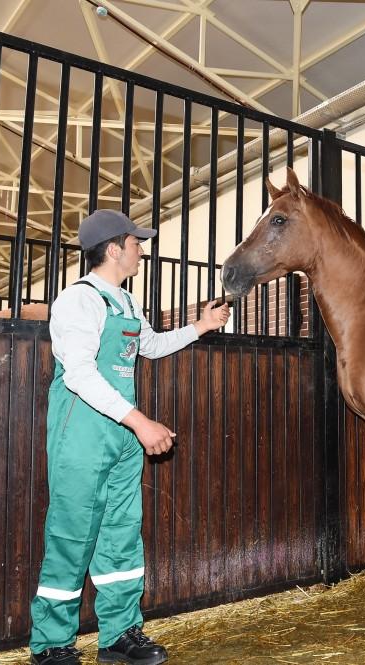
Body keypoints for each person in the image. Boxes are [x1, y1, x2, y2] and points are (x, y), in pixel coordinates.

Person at [29, 209, 230, 665]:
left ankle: (119, 634)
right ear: (114, 249)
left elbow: (150, 346)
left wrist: (201, 326)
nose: (142, 250)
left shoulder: (127, 302)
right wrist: (140, 422)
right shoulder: (78, 300)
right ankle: (50, 642)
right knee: (72, 533)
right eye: (136, 243)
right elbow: (79, 374)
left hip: (120, 435)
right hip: (82, 432)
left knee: (121, 534)